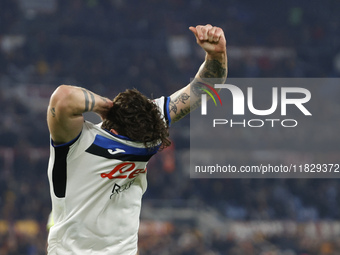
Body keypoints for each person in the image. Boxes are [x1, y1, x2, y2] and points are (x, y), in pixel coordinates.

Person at [46, 24, 227, 255]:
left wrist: (107, 106)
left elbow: (63, 98)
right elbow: (206, 86)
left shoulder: (78, 142)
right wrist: (217, 54)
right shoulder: (148, 131)